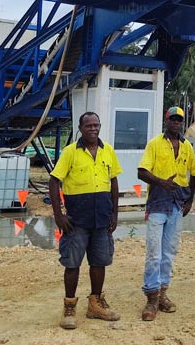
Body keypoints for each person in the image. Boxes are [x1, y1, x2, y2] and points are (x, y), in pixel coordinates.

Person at [49, 111, 122, 330]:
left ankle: (95, 304)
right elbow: (54, 182)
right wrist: (58, 215)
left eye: (96, 125)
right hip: (76, 221)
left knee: (99, 262)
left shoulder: (107, 150)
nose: (93, 129)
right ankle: (69, 306)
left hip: (102, 220)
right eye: (89, 125)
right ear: (80, 128)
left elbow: (114, 182)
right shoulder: (70, 152)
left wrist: (115, 214)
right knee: (72, 264)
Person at [137, 106, 195, 321]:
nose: (176, 123)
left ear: (182, 122)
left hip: (177, 204)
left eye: (179, 120)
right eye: (172, 119)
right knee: (154, 251)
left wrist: (190, 198)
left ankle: (163, 293)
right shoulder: (155, 144)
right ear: (166, 121)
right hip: (157, 202)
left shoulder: (187, 146)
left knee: (169, 251)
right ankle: (151, 297)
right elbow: (141, 171)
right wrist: (161, 182)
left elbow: (194, 173)